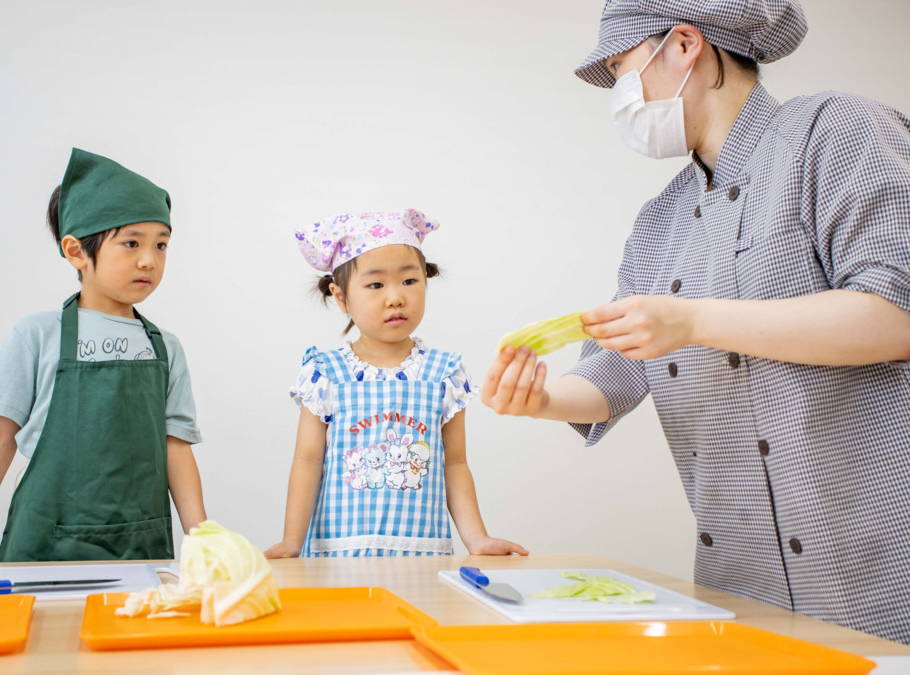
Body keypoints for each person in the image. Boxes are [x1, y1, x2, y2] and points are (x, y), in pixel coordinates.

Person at [481, 0, 910, 644]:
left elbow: (895, 313)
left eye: (626, 71)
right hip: (738, 575)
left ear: (685, 46)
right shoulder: (660, 222)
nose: (623, 98)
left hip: (874, 558)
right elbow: (618, 371)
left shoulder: (837, 131)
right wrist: (539, 397)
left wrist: (694, 320)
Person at [0, 148, 206, 564]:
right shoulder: (38, 335)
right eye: (131, 243)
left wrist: (205, 541)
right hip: (44, 549)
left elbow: (176, 448)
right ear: (76, 251)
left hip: (141, 551)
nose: (149, 260)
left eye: (162, 245)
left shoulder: (164, 347)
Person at [265, 210, 527, 558]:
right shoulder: (325, 373)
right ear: (341, 297)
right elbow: (308, 460)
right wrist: (290, 543)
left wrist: (477, 539)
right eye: (376, 285)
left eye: (409, 281)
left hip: (422, 555)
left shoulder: (443, 372)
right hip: (341, 556)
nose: (396, 298)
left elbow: (455, 464)